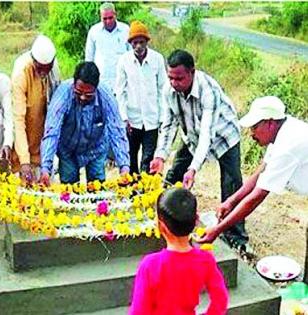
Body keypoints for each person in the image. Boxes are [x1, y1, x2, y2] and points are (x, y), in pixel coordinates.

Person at [150, 49, 248, 251]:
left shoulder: (207, 90)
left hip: (222, 135)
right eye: (170, 78)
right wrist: (160, 155)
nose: (174, 83)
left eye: (179, 78)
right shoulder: (169, 91)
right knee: (175, 174)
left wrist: (194, 169)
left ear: (192, 72)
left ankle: (236, 237)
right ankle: (169, 220)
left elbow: (207, 134)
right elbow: (168, 125)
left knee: (231, 185)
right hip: (191, 135)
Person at [199, 96, 308, 244]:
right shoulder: (282, 130)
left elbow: (257, 196)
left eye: (254, 127)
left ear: (270, 123)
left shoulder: (287, 146)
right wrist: (231, 201)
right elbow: (261, 171)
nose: (251, 134)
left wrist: (217, 229)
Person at [129, 188, 228, 315]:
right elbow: (220, 299)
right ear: (196, 220)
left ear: (160, 226)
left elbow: (138, 311)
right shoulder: (205, 260)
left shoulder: (150, 265)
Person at [39, 61, 130, 185]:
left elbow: (117, 131)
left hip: (96, 149)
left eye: (88, 95)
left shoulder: (106, 96)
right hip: (68, 149)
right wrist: (46, 169)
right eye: (78, 93)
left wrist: (124, 167)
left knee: (98, 191)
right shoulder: (62, 94)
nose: (82, 98)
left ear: (96, 88)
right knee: (69, 192)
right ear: (74, 84)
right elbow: (52, 131)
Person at [116, 20, 166, 175]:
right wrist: (124, 118)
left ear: (147, 42)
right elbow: (120, 91)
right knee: (130, 158)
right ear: (130, 43)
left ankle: (146, 192)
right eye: (135, 42)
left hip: (152, 119)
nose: (138, 46)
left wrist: (163, 117)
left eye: (141, 42)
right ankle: (132, 192)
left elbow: (163, 89)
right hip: (132, 119)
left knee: (148, 160)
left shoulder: (157, 59)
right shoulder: (124, 61)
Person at [12, 35, 60, 184]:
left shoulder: (54, 69)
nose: (44, 73)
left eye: (48, 68)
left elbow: (57, 107)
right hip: (26, 140)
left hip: (44, 140)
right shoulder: (21, 73)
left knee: (46, 191)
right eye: (40, 68)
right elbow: (18, 120)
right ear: (33, 61)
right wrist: (24, 161)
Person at [85, 2, 129, 92]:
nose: (108, 21)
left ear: (115, 15)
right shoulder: (94, 31)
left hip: (122, 82)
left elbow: (132, 55)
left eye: (110, 18)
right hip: (101, 82)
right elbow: (89, 59)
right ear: (100, 17)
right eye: (104, 19)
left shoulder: (126, 30)